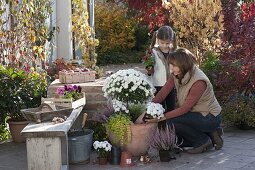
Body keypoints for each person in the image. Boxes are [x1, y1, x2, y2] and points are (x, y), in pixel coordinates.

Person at [138, 48, 223, 154]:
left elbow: (184, 109)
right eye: (170, 65)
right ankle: (212, 133)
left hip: (209, 117)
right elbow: (162, 93)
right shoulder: (177, 74)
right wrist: (147, 109)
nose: (171, 69)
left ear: (183, 65)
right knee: (178, 137)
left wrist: (159, 118)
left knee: (171, 123)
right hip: (195, 114)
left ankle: (203, 141)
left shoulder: (199, 82)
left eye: (174, 66)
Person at [145, 25, 177, 118]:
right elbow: (148, 67)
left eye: (167, 43)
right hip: (158, 85)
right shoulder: (153, 52)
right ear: (157, 39)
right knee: (159, 109)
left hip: (172, 86)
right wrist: (149, 68)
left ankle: (171, 127)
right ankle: (160, 129)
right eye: (162, 43)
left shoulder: (174, 51)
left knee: (172, 108)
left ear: (171, 41)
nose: (164, 45)